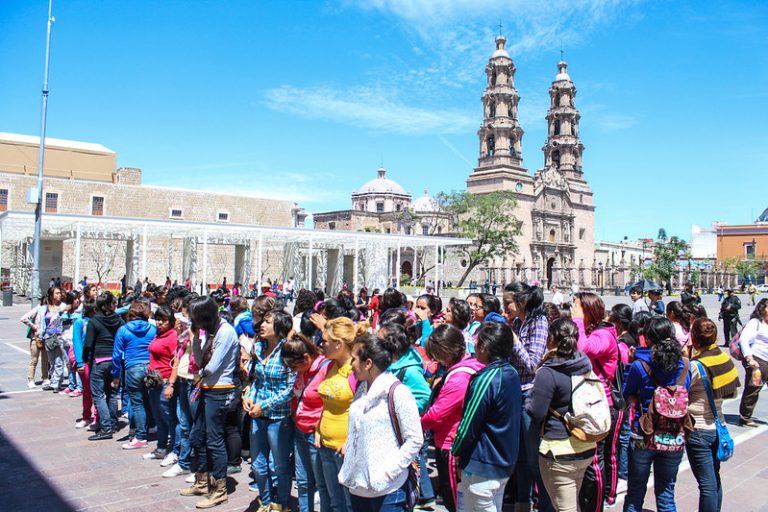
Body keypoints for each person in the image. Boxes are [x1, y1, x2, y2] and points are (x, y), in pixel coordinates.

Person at [338, 333, 423, 512]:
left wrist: (388, 472)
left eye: (354, 359)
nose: (350, 365)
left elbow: (415, 439)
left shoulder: (398, 393)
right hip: (358, 488)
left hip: (389, 492)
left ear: (368, 363)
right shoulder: (361, 389)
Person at [527, 318, 597, 512]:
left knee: (564, 507)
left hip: (558, 449)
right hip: (585, 441)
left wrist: (527, 401)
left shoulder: (548, 372)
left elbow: (537, 411)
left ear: (550, 339)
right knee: (572, 500)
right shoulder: (584, 363)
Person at [622, 317, 692, 512]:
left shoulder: (640, 365)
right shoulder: (685, 365)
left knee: (635, 491)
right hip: (674, 434)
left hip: (644, 433)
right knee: (666, 494)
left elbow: (626, 393)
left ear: (648, 339)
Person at [451, 321, 522, 511]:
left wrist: (455, 451)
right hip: (503, 462)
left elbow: (468, 425)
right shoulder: (511, 372)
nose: (474, 345)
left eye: (477, 341)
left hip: (483, 464)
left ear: (486, 347)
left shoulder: (486, 379)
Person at [181, 296, 241, 509]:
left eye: (196, 319)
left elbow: (211, 368)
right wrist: (195, 339)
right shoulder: (210, 332)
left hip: (220, 390)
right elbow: (198, 361)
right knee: (198, 435)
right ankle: (202, 480)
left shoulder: (225, 332)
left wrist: (198, 374)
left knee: (215, 440)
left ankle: (219, 489)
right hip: (206, 388)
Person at [571, 292, 626, 510]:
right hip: (587, 403)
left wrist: (577, 321)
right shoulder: (593, 331)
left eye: (576, 307)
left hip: (600, 406)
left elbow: (584, 349)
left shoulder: (603, 335)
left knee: (595, 460)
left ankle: (597, 503)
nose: (572, 311)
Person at [422, 324, 485, 511]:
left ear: (446, 352)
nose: (436, 360)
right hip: (458, 441)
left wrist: (415, 423)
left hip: (450, 443)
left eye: (437, 355)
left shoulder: (459, 378)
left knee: (454, 501)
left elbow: (438, 414)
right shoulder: (473, 365)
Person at [504, 282, 552, 512]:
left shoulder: (538, 322)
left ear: (522, 302)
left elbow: (533, 364)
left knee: (533, 459)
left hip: (530, 395)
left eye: (508, 303)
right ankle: (522, 503)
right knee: (520, 456)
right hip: (515, 392)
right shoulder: (516, 322)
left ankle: (544, 504)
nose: (505, 309)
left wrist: (513, 340)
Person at [244, 309, 296, 511]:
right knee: (258, 465)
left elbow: (291, 389)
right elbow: (258, 380)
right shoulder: (259, 347)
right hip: (257, 415)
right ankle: (265, 502)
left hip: (278, 417)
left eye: (268, 322)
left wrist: (264, 406)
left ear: (280, 328)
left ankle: (280, 504)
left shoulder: (288, 351)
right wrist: (249, 397)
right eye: (263, 321)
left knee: (280, 465)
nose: (262, 325)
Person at [687, 318, 740, 512]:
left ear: (694, 338)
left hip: (698, 428)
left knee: (706, 484)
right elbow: (732, 392)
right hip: (718, 426)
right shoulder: (723, 357)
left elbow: (681, 391)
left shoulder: (696, 365)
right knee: (714, 478)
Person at [316, 316, 367, 512]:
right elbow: (326, 403)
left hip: (345, 449)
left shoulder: (356, 371)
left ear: (338, 344)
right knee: (333, 500)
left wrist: (351, 441)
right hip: (325, 444)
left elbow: (364, 411)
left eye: (325, 341)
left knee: (349, 503)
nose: (322, 345)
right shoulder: (330, 365)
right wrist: (318, 430)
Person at [281, 334, 332, 512]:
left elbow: (331, 402)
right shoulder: (301, 371)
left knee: (322, 483)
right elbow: (296, 394)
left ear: (306, 357)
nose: (295, 371)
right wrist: (295, 413)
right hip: (300, 430)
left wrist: (319, 425)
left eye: (296, 366)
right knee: (303, 482)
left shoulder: (325, 368)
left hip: (315, 433)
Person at [112, 301, 157, 451]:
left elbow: (117, 355)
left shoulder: (123, 330)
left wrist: (115, 375)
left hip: (132, 368)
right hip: (150, 367)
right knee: (150, 399)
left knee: (137, 403)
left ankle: (140, 436)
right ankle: (151, 426)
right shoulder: (153, 329)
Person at [82, 291, 125, 440]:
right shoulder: (119, 320)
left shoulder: (94, 321)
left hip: (99, 360)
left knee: (99, 395)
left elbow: (88, 344)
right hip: (115, 360)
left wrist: (85, 359)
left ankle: (106, 428)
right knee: (112, 393)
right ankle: (112, 423)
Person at [147, 306, 180, 466]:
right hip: (155, 381)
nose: (159, 323)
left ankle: (174, 450)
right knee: (159, 417)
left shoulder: (172, 336)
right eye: (157, 319)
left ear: (171, 321)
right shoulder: (158, 334)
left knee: (170, 418)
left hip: (166, 381)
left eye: (163, 320)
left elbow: (176, 362)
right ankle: (161, 447)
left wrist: (171, 384)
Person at [738, 298, 768, 427]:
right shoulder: (755, 323)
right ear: (763, 309)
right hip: (758, 361)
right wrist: (750, 359)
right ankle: (745, 416)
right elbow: (744, 340)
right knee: (753, 388)